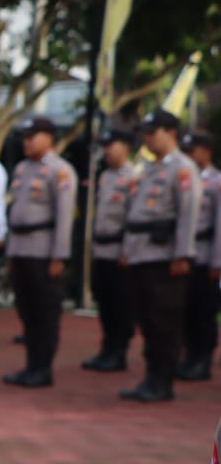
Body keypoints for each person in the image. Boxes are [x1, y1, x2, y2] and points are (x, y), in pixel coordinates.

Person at [120, 109, 200, 402]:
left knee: (164, 321)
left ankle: (162, 381)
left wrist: (183, 254)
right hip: (143, 254)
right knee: (148, 321)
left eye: (153, 132)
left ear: (171, 133)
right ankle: (151, 377)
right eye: (146, 133)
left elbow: (188, 213)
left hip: (165, 257)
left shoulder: (183, 168)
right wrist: (129, 250)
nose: (148, 138)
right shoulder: (150, 168)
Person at [2, 117, 78, 387]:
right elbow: (14, 213)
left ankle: (42, 368)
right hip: (22, 248)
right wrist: (11, 252)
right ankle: (31, 365)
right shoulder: (22, 169)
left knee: (45, 312)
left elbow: (64, 218)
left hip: (44, 249)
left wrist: (59, 256)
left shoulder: (61, 171)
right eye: (25, 136)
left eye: (33, 136)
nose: (27, 141)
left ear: (50, 138)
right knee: (27, 310)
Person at [84, 128, 139, 372]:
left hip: (121, 250)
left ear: (126, 147)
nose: (107, 150)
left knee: (121, 304)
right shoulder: (106, 177)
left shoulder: (135, 177)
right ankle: (107, 348)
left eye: (112, 145)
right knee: (104, 302)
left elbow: (134, 219)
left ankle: (119, 352)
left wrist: (129, 250)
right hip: (103, 248)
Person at [180, 131, 220, 380]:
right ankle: (189, 357)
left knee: (204, 312)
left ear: (207, 151)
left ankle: (203, 360)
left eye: (193, 150)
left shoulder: (216, 182)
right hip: (187, 255)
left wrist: (218, 261)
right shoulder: (185, 179)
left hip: (206, 255)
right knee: (186, 311)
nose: (189, 156)